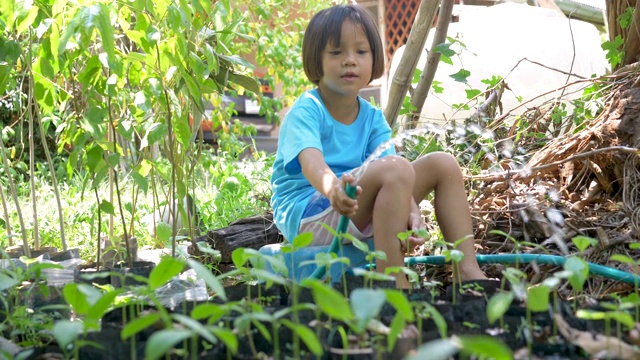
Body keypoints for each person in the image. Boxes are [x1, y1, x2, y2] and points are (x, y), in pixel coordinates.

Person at [270, 3, 487, 288]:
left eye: (361, 52)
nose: (350, 60)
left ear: (374, 59)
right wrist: (332, 188)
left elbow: (398, 173)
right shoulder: (307, 110)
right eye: (336, 52)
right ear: (316, 60)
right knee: (394, 168)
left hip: (356, 203)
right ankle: (393, 285)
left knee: (441, 164)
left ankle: (468, 272)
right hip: (312, 212)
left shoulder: (371, 117)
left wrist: (412, 214)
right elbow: (312, 162)